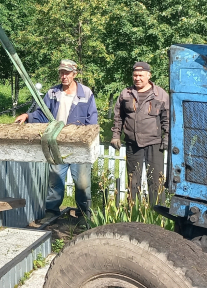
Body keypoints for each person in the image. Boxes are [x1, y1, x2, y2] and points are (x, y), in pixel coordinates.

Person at [15, 59, 98, 219]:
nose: (64, 76)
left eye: (67, 73)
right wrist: (28, 115)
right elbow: (42, 114)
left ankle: (84, 215)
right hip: (57, 143)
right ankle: (52, 212)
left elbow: (92, 120)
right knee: (55, 181)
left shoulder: (86, 93)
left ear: (74, 74)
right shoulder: (52, 93)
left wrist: (87, 141)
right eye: (61, 72)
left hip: (78, 146)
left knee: (82, 183)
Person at [110, 61, 170, 206]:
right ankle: (132, 214)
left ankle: (156, 215)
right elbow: (118, 117)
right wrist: (116, 135)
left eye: (141, 75)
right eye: (135, 75)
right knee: (133, 181)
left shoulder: (160, 94)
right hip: (133, 144)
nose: (137, 78)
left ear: (149, 75)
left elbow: (167, 118)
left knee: (156, 182)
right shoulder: (126, 94)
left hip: (154, 144)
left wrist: (167, 138)